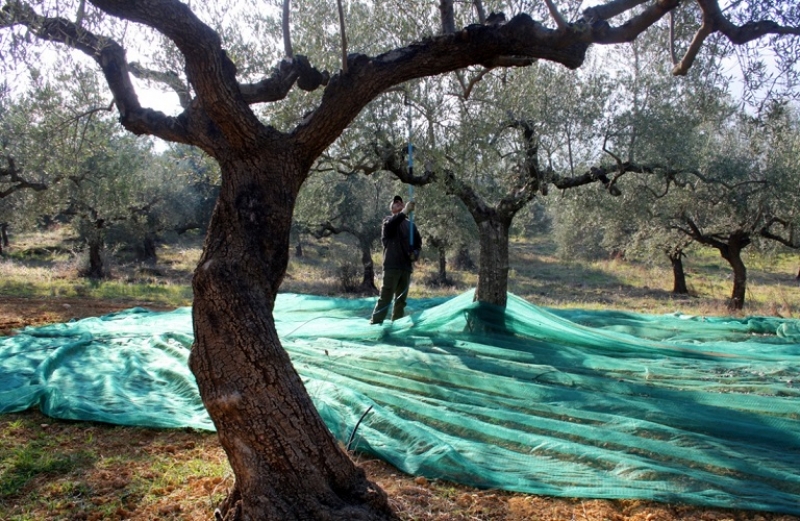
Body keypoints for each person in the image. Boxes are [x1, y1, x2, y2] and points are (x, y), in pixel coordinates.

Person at [370, 195, 422, 324]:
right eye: (395, 202)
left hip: (406, 268)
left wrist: (415, 253)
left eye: (401, 202)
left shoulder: (411, 226)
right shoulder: (388, 221)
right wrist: (404, 212)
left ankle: (396, 325)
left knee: (401, 301)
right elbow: (393, 224)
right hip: (392, 266)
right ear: (392, 209)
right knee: (385, 298)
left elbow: (418, 244)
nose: (398, 203)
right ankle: (375, 323)